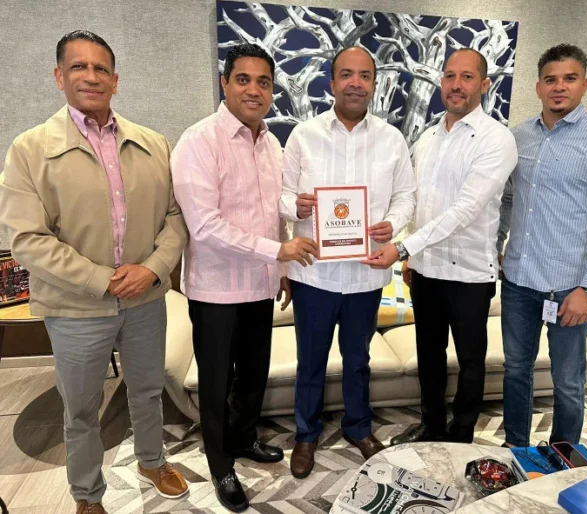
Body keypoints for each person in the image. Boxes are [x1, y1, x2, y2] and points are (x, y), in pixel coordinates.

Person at [0, 31, 189, 514]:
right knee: (81, 409)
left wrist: (153, 269)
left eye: (101, 68)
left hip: (146, 300)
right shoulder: (29, 149)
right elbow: (27, 239)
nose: (91, 76)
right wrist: (101, 279)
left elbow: (175, 218)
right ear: (59, 76)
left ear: (115, 80)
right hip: (76, 307)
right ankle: (87, 493)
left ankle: (152, 461)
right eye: (78, 67)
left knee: (147, 390)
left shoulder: (153, 144)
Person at [171, 43, 318, 512]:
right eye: (243, 79)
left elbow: (274, 215)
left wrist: (283, 266)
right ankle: (220, 465)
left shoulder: (272, 144)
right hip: (215, 289)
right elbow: (205, 226)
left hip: (260, 284)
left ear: (272, 90)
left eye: (263, 82)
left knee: (253, 374)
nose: (254, 90)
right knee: (216, 383)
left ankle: (243, 437)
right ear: (225, 83)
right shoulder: (199, 141)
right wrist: (278, 252)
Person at [363, 49, 517, 445]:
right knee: (429, 356)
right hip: (426, 270)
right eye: (450, 76)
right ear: (441, 82)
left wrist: (401, 249)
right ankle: (431, 426)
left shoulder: (497, 139)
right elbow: (417, 201)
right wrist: (410, 252)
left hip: (470, 274)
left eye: (467, 77)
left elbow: (465, 210)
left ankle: (461, 435)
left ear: (484, 84)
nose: (456, 85)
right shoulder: (428, 138)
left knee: (470, 362)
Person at [279, 46, 416, 479]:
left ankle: (358, 427)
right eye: (346, 74)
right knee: (311, 361)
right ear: (332, 82)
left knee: (358, 359)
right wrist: (296, 206)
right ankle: (306, 435)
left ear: (374, 83)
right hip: (314, 274)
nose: (356, 83)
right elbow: (281, 194)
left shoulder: (392, 139)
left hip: (365, 274)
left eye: (364, 75)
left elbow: (406, 196)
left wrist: (393, 223)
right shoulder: (303, 135)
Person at [497, 44, 587, 449]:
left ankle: (563, 456)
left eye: (569, 79)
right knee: (516, 371)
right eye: (551, 79)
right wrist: (495, 248)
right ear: (538, 87)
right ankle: (516, 448)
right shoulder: (518, 137)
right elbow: (507, 199)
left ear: (584, 84)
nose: (559, 87)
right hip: (519, 280)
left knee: (568, 381)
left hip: (571, 287)